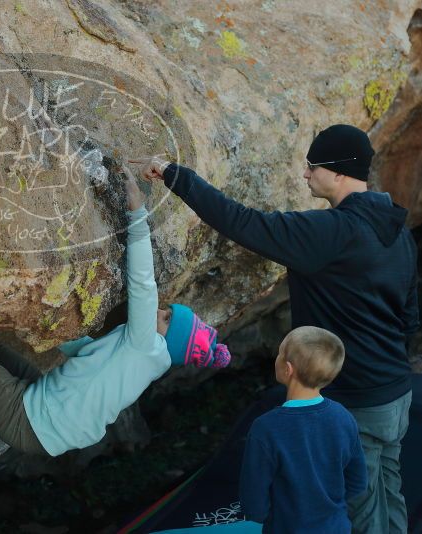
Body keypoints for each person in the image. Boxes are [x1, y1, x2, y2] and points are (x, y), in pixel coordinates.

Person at [135, 124, 418, 533]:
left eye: (313, 166)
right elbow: (409, 317)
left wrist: (173, 174)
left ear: (339, 173)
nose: (305, 174)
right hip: (396, 392)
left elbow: (243, 222)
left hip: (357, 398)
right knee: (389, 495)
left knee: (358, 510)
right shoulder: (399, 232)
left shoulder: (330, 232)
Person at [0, 167, 231, 457]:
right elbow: (87, 356)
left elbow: (142, 284)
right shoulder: (146, 361)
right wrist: (46, 326)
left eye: (167, 317)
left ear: (170, 339)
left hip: (29, 420)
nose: (160, 311)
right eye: (166, 310)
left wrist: (137, 214)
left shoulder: (146, 345)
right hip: (47, 413)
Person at [240, 326, 368, 533]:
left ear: (287, 369)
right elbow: (358, 481)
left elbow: (254, 499)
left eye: (280, 353)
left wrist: (264, 517)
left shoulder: (265, 428)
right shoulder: (344, 417)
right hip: (335, 527)